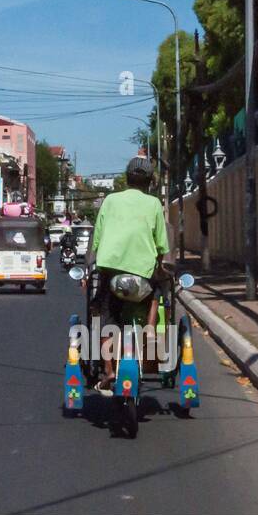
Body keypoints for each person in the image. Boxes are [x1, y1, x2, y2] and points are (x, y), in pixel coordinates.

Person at [86, 155, 171, 394]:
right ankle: (151, 327)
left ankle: (109, 369)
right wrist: (160, 264)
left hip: (111, 273)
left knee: (105, 318)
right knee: (156, 290)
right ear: (150, 181)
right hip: (141, 275)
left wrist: (93, 264)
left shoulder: (110, 200)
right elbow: (162, 244)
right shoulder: (154, 204)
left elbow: (98, 239)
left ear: (127, 178)